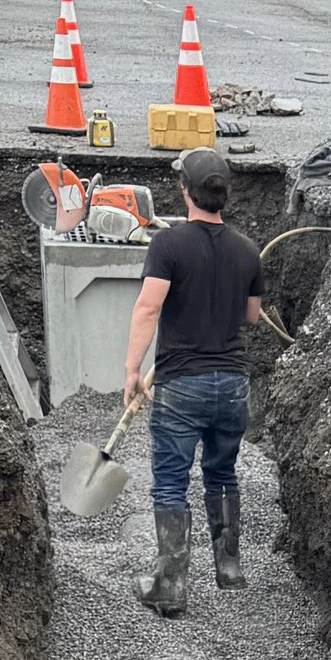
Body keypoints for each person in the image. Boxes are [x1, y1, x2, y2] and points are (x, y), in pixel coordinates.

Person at [123, 145, 264, 617]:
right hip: (232, 385)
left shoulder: (169, 245)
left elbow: (148, 307)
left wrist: (131, 371)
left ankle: (171, 585)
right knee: (222, 473)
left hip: (182, 385)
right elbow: (251, 316)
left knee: (170, 484)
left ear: (185, 189)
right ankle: (228, 569)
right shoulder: (247, 249)